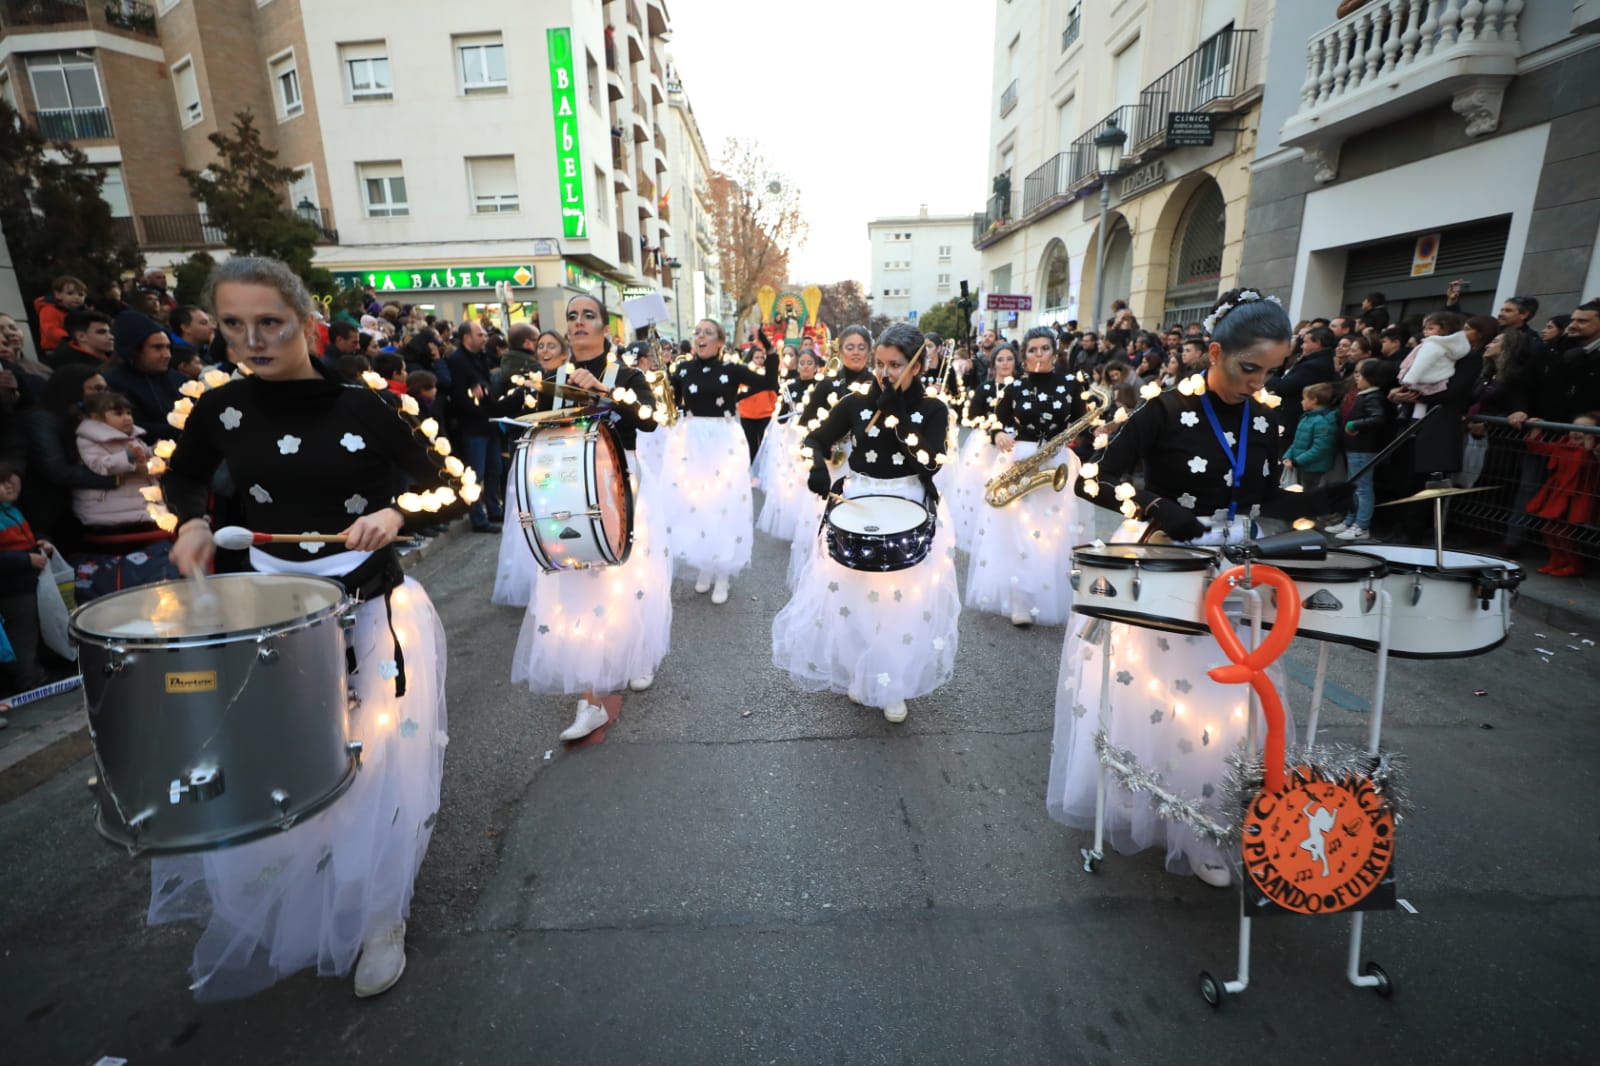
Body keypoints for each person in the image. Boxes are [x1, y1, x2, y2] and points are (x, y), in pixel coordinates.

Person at [149, 255, 476, 1000]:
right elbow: (182, 472)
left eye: (269, 322)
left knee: (373, 761)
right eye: (233, 324)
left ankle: (378, 915)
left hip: (366, 607)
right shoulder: (218, 408)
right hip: (266, 616)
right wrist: (194, 521)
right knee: (282, 759)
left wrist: (396, 512)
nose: (251, 339)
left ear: (305, 320)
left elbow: (452, 483)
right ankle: (298, 885)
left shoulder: (366, 405)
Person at [1048, 287, 1354, 886]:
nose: (1258, 382)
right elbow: (1092, 478)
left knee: (1232, 701)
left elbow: (1264, 495)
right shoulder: (1162, 410)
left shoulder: (1267, 417)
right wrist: (1158, 505)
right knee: (1163, 696)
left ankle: (1207, 825)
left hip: (1242, 571)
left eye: (1271, 371)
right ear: (1214, 351)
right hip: (1169, 565)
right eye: (1248, 368)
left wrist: (1313, 502)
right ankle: (1150, 802)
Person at [772, 322, 959, 724]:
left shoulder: (933, 409)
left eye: (895, 365)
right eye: (880, 363)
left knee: (901, 601)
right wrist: (818, 466)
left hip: (907, 501)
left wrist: (900, 420)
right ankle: (861, 669)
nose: (885, 372)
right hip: (859, 501)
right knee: (854, 596)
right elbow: (815, 438)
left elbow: (931, 462)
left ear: (917, 366)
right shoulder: (856, 403)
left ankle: (892, 682)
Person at [509, 292, 673, 739]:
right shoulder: (552, 377)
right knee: (575, 588)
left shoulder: (629, 374)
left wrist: (607, 392)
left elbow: (650, 420)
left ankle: (635, 655)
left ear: (605, 327)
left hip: (623, 485)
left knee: (629, 583)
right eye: (572, 317)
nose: (579, 322)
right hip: (569, 490)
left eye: (589, 315)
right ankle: (590, 698)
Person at [966, 327, 1085, 627]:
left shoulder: (1070, 384)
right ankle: (1020, 597)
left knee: (1050, 533)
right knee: (1018, 532)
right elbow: (996, 421)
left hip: (1056, 461)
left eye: (1045, 349)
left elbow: (1081, 422)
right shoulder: (1014, 388)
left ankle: (1045, 592)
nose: (1038, 355)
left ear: (1055, 353)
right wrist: (998, 435)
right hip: (1020, 459)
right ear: (1024, 356)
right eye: (1032, 350)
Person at [662, 319, 778, 604]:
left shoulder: (732, 370)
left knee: (723, 506)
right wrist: (664, 375)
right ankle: (704, 566)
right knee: (697, 506)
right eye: (698, 331)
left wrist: (765, 343)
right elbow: (673, 402)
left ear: (720, 342)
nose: (701, 336)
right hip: (691, 440)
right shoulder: (684, 369)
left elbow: (768, 381)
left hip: (723, 441)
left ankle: (722, 571)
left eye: (708, 333)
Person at [490, 329, 571, 610]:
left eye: (551, 345)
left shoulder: (571, 381)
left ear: (564, 352)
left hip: (564, 456)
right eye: (541, 346)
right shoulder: (531, 381)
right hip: (535, 456)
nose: (545, 350)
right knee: (533, 513)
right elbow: (504, 407)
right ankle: (536, 578)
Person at [949, 343, 1018, 552]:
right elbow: (970, 416)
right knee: (982, 490)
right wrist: (992, 427)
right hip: (986, 446)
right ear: (993, 363)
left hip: (1015, 444)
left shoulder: (1022, 388)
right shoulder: (985, 388)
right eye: (1000, 359)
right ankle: (983, 535)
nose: (1005, 363)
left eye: (1009, 359)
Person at [0, 465, 57, 695]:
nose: (9, 485)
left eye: (8, 480)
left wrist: (43, 543)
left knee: (32, 628)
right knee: (21, 633)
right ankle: (28, 678)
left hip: (25, 582)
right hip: (10, 588)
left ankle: (36, 670)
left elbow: (29, 535)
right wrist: (26, 560)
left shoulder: (11, 510)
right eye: (1, 483)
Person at [1327, 358, 1397, 541]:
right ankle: (1350, 520)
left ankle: (1362, 525)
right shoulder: (1364, 395)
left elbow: (1378, 418)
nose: (1357, 378)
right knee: (1353, 487)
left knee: (1363, 488)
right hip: (1354, 447)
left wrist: (1354, 423)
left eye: (1361, 374)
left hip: (1363, 449)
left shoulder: (1374, 397)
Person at [1524, 415, 1600, 577]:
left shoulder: (1594, 449)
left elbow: (1589, 463)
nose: (1577, 432)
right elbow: (1538, 448)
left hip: (1578, 497)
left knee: (1564, 532)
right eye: (1575, 428)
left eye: (1585, 430)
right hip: (1558, 493)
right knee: (1548, 529)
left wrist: (1589, 445)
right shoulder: (1563, 444)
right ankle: (1557, 559)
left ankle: (1575, 563)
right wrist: (1537, 429)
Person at [72, 391, 157, 529]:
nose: (127, 418)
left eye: (129, 413)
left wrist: (156, 451)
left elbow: (145, 454)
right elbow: (101, 465)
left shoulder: (132, 437)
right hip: (105, 510)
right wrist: (128, 457)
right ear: (96, 418)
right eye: (119, 414)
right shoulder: (89, 439)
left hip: (136, 504)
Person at [104, 311, 184, 442]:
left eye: (168, 347)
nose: (167, 355)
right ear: (135, 350)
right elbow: (133, 427)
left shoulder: (179, 380)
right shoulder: (113, 383)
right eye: (157, 348)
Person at [1280, 381, 1339, 492]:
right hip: (1302, 465)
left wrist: (1297, 461)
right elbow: (1297, 441)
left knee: (1309, 493)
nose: (1302, 402)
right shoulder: (1307, 417)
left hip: (1313, 467)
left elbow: (1320, 448)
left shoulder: (1323, 421)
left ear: (1314, 400)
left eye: (1304, 399)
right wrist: (1288, 456)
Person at [33, 275, 87, 352]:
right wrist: (72, 339)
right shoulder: (49, 309)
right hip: (55, 349)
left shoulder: (83, 312)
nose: (77, 297)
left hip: (77, 346)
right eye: (70, 293)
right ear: (58, 295)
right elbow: (50, 329)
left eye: (81, 295)